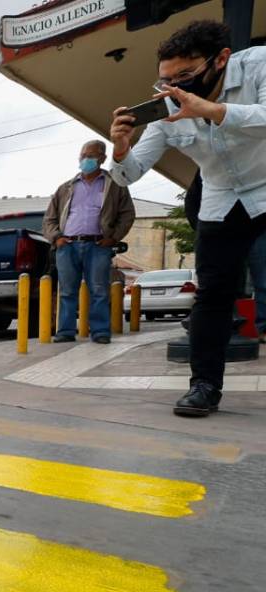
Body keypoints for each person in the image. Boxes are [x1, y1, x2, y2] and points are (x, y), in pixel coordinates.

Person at [110, 20, 266, 417]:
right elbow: (129, 173)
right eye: (165, 80)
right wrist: (121, 149)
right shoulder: (167, 108)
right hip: (219, 199)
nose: (174, 87)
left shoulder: (259, 64)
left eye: (186, 76)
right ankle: (204, 387)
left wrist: (210, 110)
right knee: (212, 295)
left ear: (221, 60)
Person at [43, 140, 136, 344]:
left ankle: (100, 332)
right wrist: (57, 238)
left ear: (102, 158)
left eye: (91, 155)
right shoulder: (65, 188)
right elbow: (49, 218)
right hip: (67, 247)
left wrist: (113, 237)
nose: (85, 159)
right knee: (67, 291)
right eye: (83, 155)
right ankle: (66, 331)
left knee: (100, 290)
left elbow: (127, 214)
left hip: (98, 246)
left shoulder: (115, 185)